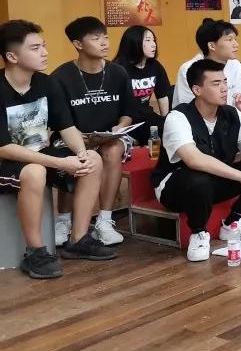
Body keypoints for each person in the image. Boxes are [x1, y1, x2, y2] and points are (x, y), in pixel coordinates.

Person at [0, 20, 114, 278]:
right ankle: (35, 252)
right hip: (8, 162)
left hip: (41, 156)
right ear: (12, 56)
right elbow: (4, 148)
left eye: (44, 46)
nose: (44, 53)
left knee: (93, 160)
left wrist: (80, 152)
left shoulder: (46, 83)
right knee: (35, 172)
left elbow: (66, 126)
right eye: (35, 48)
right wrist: (61, 163)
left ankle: (78, 239)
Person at [153, 59, 241, 262]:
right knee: (198, 178)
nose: (224, 88)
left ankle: (233, 222)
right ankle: (199, 233)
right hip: (176, 187)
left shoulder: (231, 113)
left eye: (225, 82)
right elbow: (194, 160)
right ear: (197, 90)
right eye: (216, 83)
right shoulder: (178, 117)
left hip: (214, 180)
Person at [51, 16, 141, 247]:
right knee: (75, 155)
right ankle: (63, 220)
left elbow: (128, 112)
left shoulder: (118, 72)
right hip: (72, 137)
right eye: (96, 38)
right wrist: (78, 139)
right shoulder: (61, 77)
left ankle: (104, 221)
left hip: (110, 137)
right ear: (78, 44)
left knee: (113, 150)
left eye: (106, 37)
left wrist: (120, 127)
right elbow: (59, 120)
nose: (104, 43)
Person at [175, 20, 241, 123]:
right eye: (229, 39)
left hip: (232, 122)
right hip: (198, 124)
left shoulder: (235, 64)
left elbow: (240, 98)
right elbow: (186, 108)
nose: (236, 45)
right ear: (211, 46)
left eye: (235, 39)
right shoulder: (188, 69)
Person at [113, 25, 170, 145]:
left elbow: (163, 96)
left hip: (146, 117)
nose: (154, 44)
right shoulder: (117, 68)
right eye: (148, 40)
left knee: (172, 130)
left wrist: (166, 121)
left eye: (154, 40)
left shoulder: (155, 66)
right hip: (124, 121)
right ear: (134, 42)